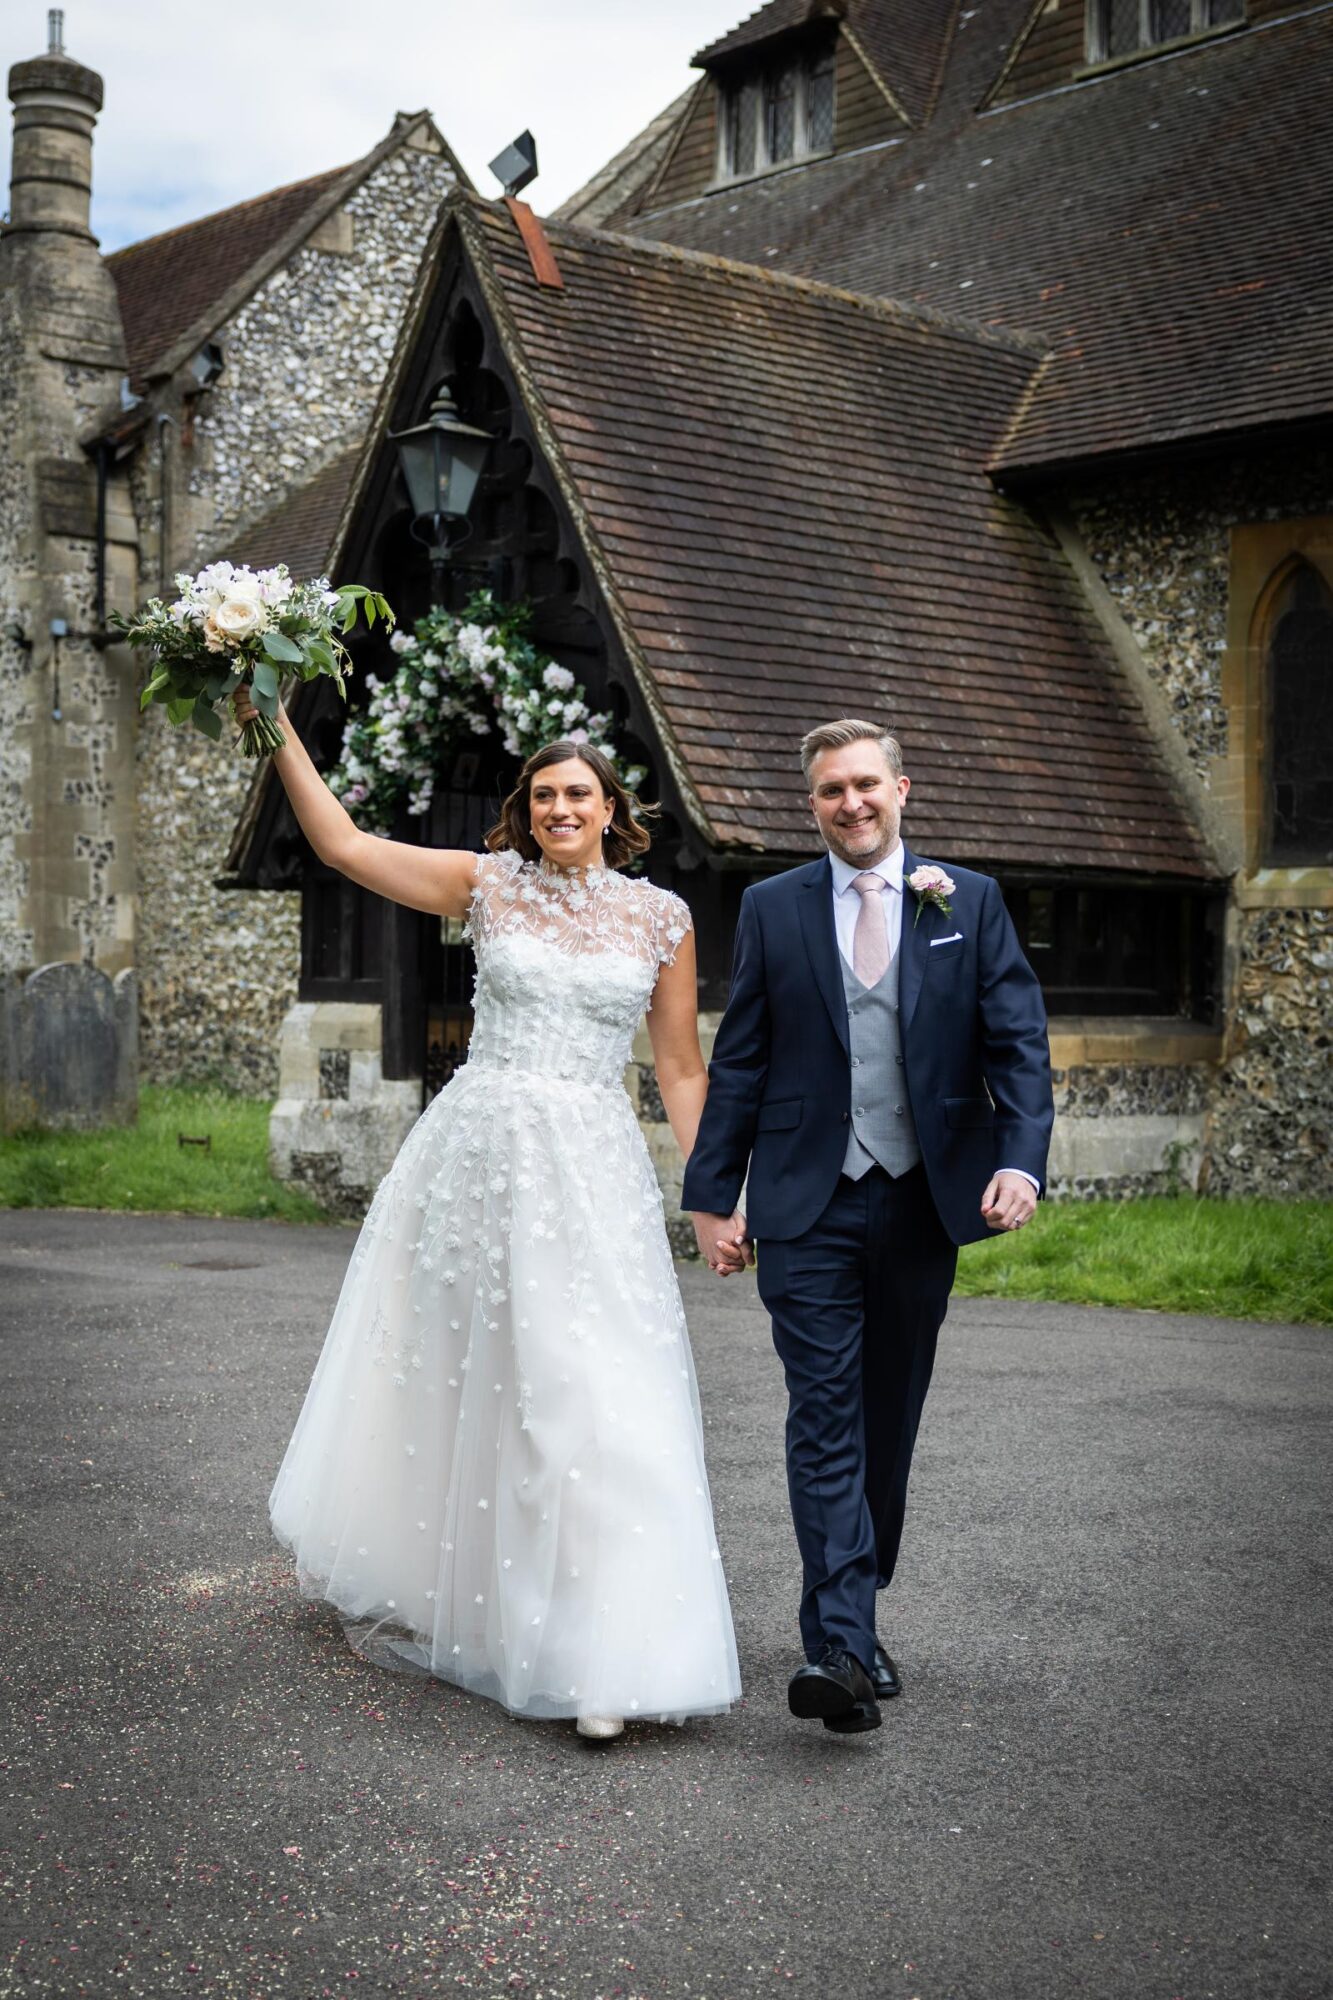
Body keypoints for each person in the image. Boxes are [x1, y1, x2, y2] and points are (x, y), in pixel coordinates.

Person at [235, 686, 740, 1740]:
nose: (561, 809)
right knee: (478, 1379)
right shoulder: (485, 885)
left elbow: (682, 1068)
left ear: (611, 809)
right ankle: (468, 1593)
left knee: (593, 1392)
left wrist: (711, 1194)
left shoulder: (661, 918)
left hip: (591, 1167)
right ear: (525, 809)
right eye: (544, 794)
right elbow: (337, 842)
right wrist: (270, 719)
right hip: (475, 1160)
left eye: (579, 795)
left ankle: (608, 1653)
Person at [683, 718, 1052, 1735]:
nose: (849, 802)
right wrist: (716, 1194)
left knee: (887, 1411)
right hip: (806, 1199)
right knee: (823, 1411)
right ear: (812, 805)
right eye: (829, 790)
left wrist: (1020, 1158)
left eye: (864, 785)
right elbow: (743, 1057)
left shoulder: (965, 901)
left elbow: (1017, 1043)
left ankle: (856, 1593)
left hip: (925, 1195)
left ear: (900, 788)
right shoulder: (772, 907)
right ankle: (837, 1645)